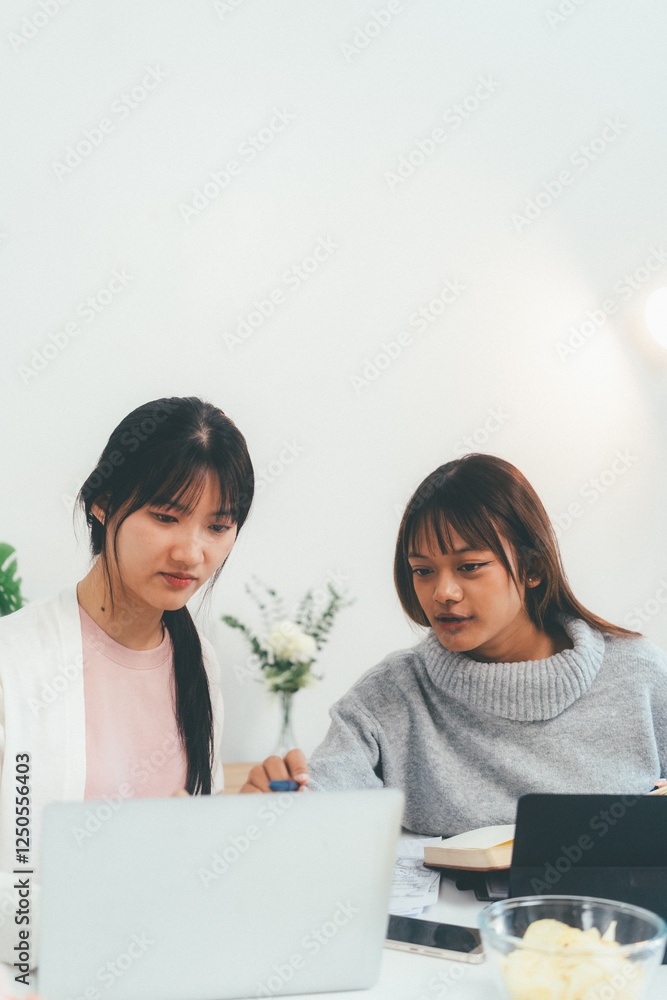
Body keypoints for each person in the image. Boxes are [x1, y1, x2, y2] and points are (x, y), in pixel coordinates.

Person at [241, 454, 667, 837]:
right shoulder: (388, 696)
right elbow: (323, 802)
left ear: (532, 567)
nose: (443, 593)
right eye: (423, 571)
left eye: (469, 566)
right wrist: (282, 805)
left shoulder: (638, 675)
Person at [0, 396, 254, 966]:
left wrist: (242, 833)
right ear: (103, 503)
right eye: (165, 516)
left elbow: (192, 861)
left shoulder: (200, 663)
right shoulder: (12, 661)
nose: (191, 552)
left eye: (218, 526)